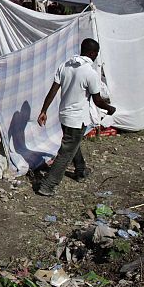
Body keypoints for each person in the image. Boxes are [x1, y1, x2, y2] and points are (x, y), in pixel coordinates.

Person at [36, 38, 116, 196]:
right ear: (92, 53)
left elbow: (53, 90)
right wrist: (110, 108)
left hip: (64, 115)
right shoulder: (89, 72)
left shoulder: (65, 66)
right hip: (77, 119)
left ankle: (81, 171)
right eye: (96, 54)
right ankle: (47, 186)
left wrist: (44, 110)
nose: (96, 57)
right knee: (66, 153)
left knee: (72, 144)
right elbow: (97, 100)